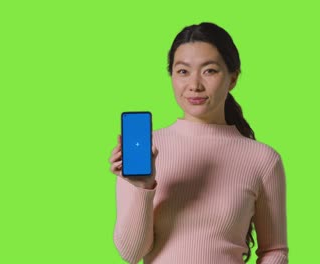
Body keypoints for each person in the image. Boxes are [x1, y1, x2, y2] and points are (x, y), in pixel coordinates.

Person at [109, 22, 288, 264]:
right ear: (171, 75)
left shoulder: (263, 159)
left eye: (210, 71)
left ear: (233, 78)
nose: (194, 85)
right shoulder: (144, 152)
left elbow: (274, 250)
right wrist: (143, 187)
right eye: (183, 71)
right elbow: (131, 254)